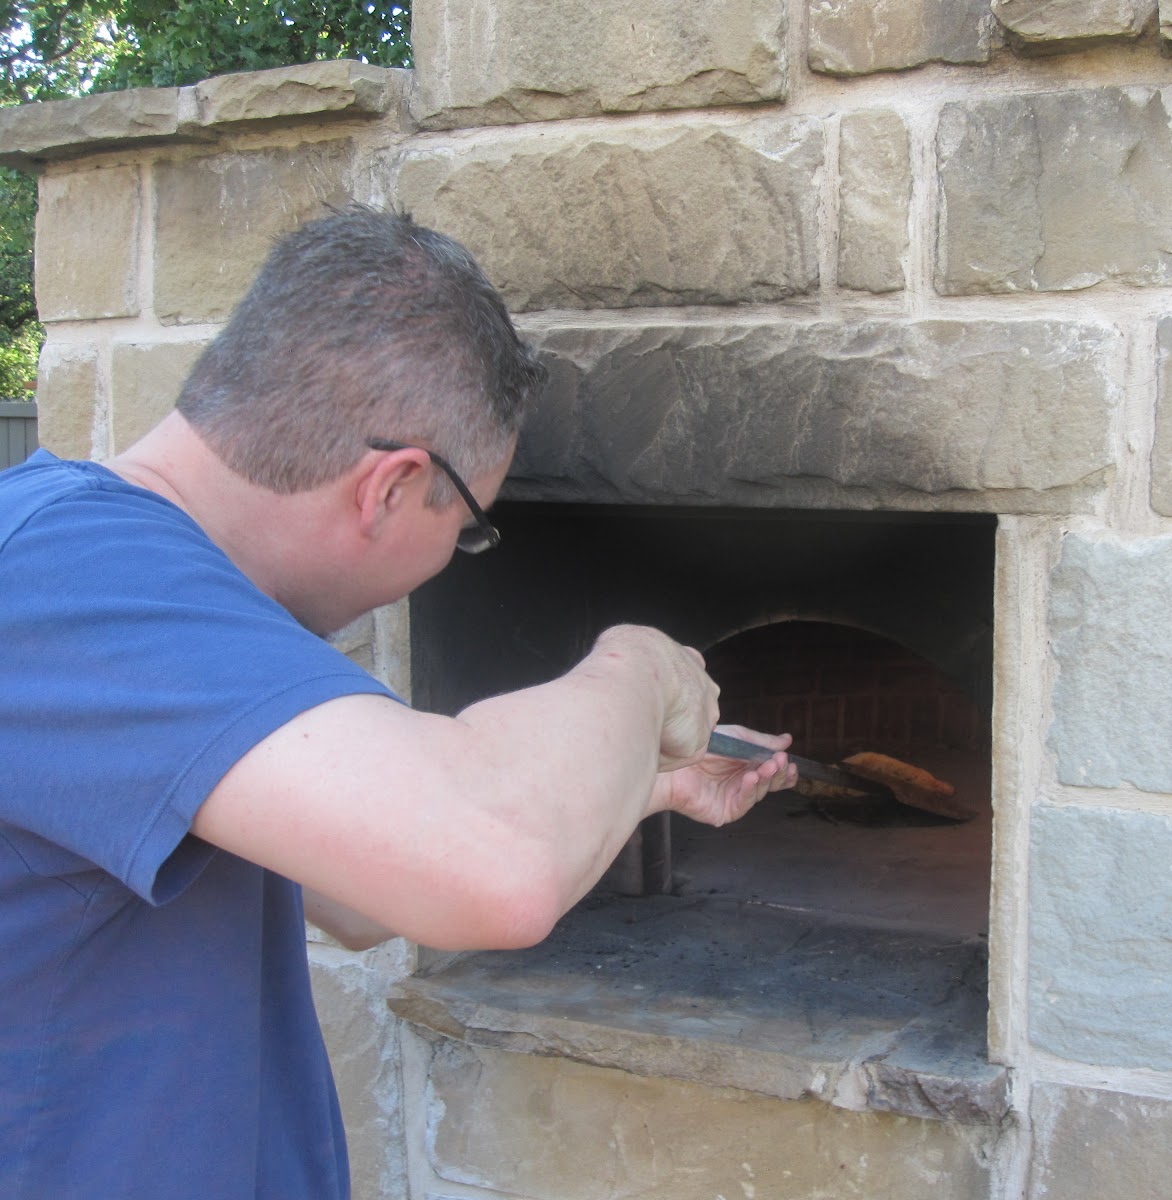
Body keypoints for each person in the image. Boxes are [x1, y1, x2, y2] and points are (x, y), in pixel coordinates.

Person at [0, 206, 796, 1200]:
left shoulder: (130, 588)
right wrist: (639, 667)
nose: (452, 560)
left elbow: (365, 895)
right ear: (392, 487)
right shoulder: (65, 581)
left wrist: (647, 781)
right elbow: (494, 870)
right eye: (467, 530)